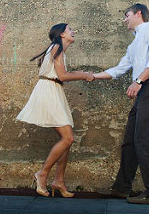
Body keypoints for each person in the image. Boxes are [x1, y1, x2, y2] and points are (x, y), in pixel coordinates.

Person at [92, 3, 149, 204]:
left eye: (126, 15)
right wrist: (91, 76)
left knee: (144, 141)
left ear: (138, 13)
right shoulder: (133, 44)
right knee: (130, 143)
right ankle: (121, 189)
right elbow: (119, 69)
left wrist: (138, 81)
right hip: (144, 92)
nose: (124, 19)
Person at [16, 23, 93, 198]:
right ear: (62, 34)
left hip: (53, 91)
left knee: (66, 139)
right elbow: (63, 76)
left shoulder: (58, 49)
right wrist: (83, 75)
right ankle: (42, 174)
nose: (74, 31)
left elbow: (61, 75)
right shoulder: (57, 47)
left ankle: (59, 181)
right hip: (49, 92)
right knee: (68, 138)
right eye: (70, 29)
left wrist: (79, 72)